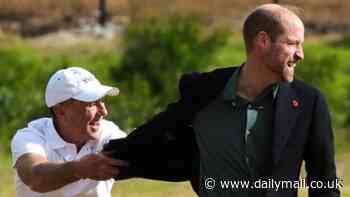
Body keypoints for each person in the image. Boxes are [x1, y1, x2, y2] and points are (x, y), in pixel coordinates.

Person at [104, 4, 340, 197]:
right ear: (263, 41)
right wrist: (109, 157)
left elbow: (324, 180)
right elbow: (158, 128)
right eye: (292, 43)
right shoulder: (204, 90)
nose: (301, 54)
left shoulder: (308, 102)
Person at [11, 67, 128, 197]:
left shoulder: (109, 132)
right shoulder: (31, 136)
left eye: (101, 101)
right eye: (92, 103)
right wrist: (81, 169)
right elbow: (35, 178)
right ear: (59, 110)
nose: (103, 112)